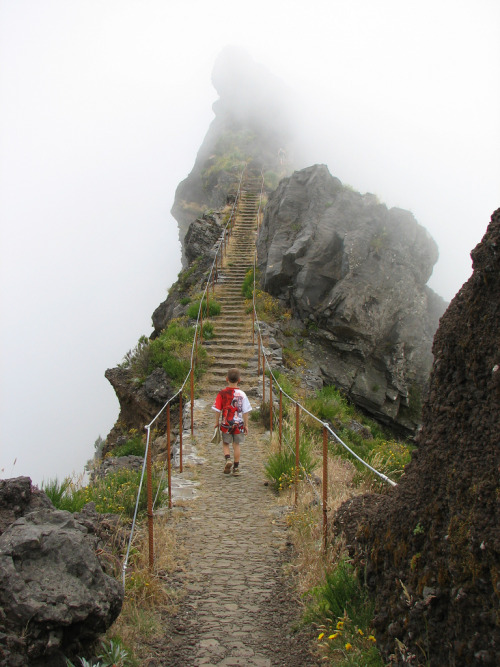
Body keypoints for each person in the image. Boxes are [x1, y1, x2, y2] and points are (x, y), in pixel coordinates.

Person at [212, 368, 252, 476]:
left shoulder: (222, 393)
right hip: (238, 424)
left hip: (226, 423)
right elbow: (246, 411)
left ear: (226, 379)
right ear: (239, 380)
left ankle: (228, 459)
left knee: (225, 443)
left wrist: (216, 422)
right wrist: (246, 425)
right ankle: (236, 468)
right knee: (236, 444)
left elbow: (217, 410)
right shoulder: (242, 394)